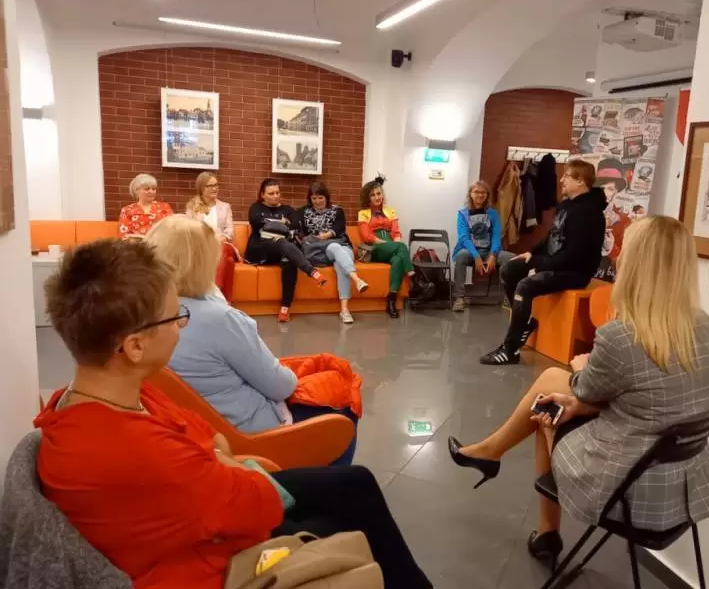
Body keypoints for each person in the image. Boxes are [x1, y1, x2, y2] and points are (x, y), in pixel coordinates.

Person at [35, 238, 432, 589]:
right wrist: (225, 462)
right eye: (176, 318)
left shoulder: (111, 394)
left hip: (206, 513)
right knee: (341, 524)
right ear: (135, 346)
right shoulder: (138, 449)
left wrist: (223, 459)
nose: (181, 326)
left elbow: (210, 440)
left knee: (355, 484)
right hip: (206, 563)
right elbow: (256, 503)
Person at [450, 216, 709, 569]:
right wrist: (581, 401)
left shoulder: (621, 336)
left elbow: (587, 388)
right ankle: (494, 459)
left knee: (545, 409)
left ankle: (543, 524)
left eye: (626, 251)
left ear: (637, 265)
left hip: (627, 490)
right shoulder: (704, 326)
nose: (618, 257)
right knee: (552, 392)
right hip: (682, 490)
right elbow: (654, 401)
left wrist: (581, 366)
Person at [147, 214, 359, 465]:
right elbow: (280, 386)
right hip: (247, 437)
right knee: (345, 402)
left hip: (184, 434)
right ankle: (315, 481)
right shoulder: (221, 319)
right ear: (202, 263)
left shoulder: (140, 314)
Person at [480, 159, 606, 365]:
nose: (561, 180)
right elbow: (552, 236)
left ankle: (510, 349)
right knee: (509, 269)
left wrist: (539, 265)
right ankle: (525, 323)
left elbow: (574, 255)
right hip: (555, 263)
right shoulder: (567, 206)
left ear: (580, 181)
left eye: (567, 176)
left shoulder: (590, 213)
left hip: (575, 271)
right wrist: (531, 253)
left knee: (526, 285)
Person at [245, 178, 326, 322]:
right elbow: (256, 222)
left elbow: (295, 226)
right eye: (271, 193)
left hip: (282, 250)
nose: (275, 196)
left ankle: (285, 308)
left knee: (289, 260)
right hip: (261, 249)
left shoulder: (287, 209)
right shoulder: (256, 208)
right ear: (262, 195)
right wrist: (282, 222)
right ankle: (311, 271)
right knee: (281, 241)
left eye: (277, 192)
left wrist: (271, 222)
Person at [357, 175, 433, 319]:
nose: (377, 197)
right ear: (367, 198)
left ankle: (391, 301)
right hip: (375, 247)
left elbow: (396, 232)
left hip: (391, 245)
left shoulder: (390, 211)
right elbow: (367, 236)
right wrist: (390, 244)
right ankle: (416, 280)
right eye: (373, 195)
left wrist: (395, 244)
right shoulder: (363, 213)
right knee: (400, 247)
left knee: (398, 260)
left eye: (379, 193)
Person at [295, 181, 369, 324]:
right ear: (310, 199)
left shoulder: (337, 211)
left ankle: (344, 310)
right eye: (314, 198)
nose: (317, 201)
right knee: (334, 247)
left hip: (341, 246)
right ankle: (356, 279)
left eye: (320, 197)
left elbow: (339, 227)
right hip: (319, 251)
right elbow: (292, 221)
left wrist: (326, 235)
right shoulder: (304, 212)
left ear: (327, 197)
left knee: (336, 253)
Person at [452, 180, 515, 312]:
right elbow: (464, 238)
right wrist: (476, 257)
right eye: (476, 192)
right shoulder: (463, 214)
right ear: (470, 194)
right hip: (471, 252)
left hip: (489, 252)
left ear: (487, 195)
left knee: (512, 259)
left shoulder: (492, 214)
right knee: (461, 256)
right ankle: (459, 298)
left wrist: (492, 255)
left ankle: (508, 298)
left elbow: (496, 236)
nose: (480, 195)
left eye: (483, 192)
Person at [186, 171, 238, 301]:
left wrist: (222, 238)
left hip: (223, 244)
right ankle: (223, 300)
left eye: (216, 185)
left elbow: (229, 230)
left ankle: (214, 295)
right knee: (229, 262)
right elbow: (189, 229)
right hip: (202, 245)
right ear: (201, 188)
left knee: (222, 249)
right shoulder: (192, 207)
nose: (215, 188)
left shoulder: (225, 207)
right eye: (210, 186)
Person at [118, 173, 173, 238]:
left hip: (161, 242)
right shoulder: (127, 210)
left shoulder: (165, 207)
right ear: (136, 190)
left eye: (154, 189)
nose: (151, 191)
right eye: (147, 189)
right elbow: (124, 235)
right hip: (137, 243)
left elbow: (173, 228)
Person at [597, 157, 632, 260]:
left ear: (616, 192)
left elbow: (625, 262)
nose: (604, 193)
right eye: (601, 188)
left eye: (610, 189)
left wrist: (610, 248)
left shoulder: (624, 222)